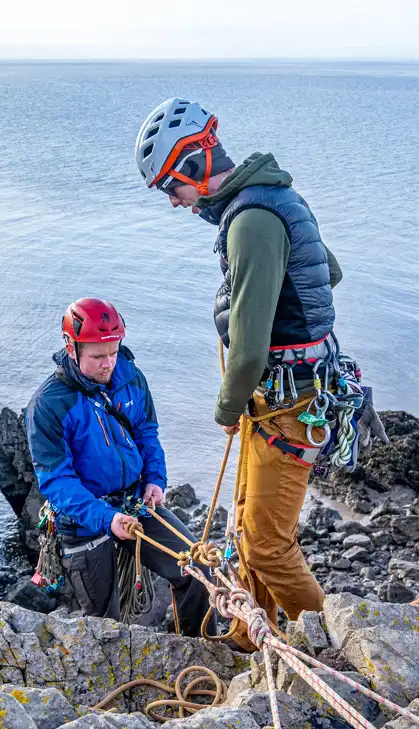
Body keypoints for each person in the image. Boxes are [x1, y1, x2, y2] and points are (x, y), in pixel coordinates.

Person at [133, 97, 377, 651]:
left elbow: (246, 353)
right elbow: (327, 271)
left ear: (194, 163)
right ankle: (250, 632)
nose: (174, 202)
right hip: (294, 395)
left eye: (172, 187)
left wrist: (225, 409)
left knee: (265, 543)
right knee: (245, 525)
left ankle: (334, 650)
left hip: (285, 409)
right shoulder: (279, 197)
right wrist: (266, 295)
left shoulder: (251, 221)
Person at [25, 297, 214, 636]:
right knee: (106, 624)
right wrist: (106, 519)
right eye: (97, 356)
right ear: (72, 348)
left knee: (196, 568)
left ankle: (202, 653)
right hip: (84, 522)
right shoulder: (48, 405)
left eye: (113, 352)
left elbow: (145, 430)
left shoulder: (129, 376)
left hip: (134, 502)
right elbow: (56, 481)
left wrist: (155, 478)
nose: (108, 363)